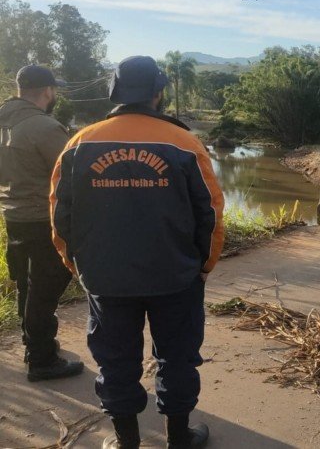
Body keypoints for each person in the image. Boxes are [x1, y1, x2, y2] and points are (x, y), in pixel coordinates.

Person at [50, 56, 224, 449]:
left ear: (114, 91)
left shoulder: (79, 143)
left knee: (115, 362)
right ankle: (179, 438)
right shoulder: (184, 142)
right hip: (175, 278)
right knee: (177, 359)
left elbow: (60, 216)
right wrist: (204, 264)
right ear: (158, 94)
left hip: (106, 279)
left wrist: (77, 265)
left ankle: (126, 442)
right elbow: (210, 213)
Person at [0, 65, 84, 381]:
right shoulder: (43, 127)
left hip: (13, 214)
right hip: (42, 217)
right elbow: (74, 173)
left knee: (27, 283)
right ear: (48, 91)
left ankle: (33, 341)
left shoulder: (4, 118)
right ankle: (41, 358)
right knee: (45, 288)